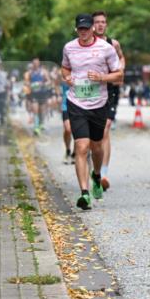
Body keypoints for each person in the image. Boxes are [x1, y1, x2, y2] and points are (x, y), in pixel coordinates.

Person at [61, 13, 122, 210]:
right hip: (76, 102)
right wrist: (67, 78)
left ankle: (96, 175)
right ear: (76, 29)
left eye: (87, 28)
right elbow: (65, 69)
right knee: (81, 147)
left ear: (93, 29)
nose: (84, 32)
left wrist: (102, 77)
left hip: (99, 103)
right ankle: (84, 193)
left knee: (97, 147)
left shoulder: (106, 48)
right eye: (81, 29)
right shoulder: (69, 47)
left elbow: (119, 74)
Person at [90, 10, 124, 190]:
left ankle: (103, 173)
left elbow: (121, 58)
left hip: (110, 90)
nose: (101, 25)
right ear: (91, 25)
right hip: (92, 91)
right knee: (93, 135)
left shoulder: (113, 43)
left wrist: (120, 71)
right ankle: (95, 162)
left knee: (105, 129)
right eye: (97, 22)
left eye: (103, 22)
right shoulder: (87, 44)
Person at [24, 58, 52, 134]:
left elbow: (49, 81)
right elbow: (26, 82)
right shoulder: (30, 73)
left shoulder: (43, 72)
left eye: (37, 63)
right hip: (34, 94)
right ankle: (36, 127)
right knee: (35, 110)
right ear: (32, 64)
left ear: (39, 63)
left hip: (42, 93)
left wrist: (42, 84)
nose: (35, 64)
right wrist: (31, 85)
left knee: (41, 111)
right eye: (34, 63)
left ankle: (41, 124)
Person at [61, 80, 74, 163]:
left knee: (78, 130)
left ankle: (75, 154)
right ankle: (68, 150)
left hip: (80, 105)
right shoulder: (64, 72)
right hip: (66, 105)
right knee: (68, 129)